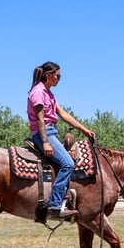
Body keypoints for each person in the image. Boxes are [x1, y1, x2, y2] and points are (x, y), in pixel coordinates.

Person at [27, 61, 96, 220]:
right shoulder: (38, 92)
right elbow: (40, 119)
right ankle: (55, 206)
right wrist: (44, 142)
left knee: (67, 161)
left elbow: (63, 114)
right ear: (48, 75)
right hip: (44, 133)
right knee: (68, 163)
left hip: (51, 132)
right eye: (58, 76)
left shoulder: (49, 94)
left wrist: (83, 129)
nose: (59, 79)